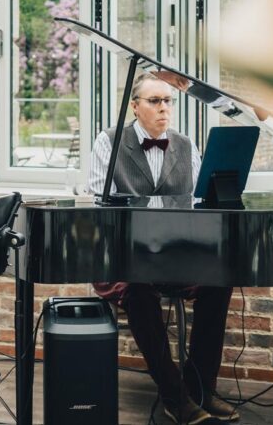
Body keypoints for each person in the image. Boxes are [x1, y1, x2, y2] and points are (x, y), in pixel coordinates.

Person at [89, 71, 238, 424]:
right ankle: (175, 396)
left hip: (176, 255)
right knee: (139, 291)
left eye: (168, 101)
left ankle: (200, 389)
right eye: (154, 101)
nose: (163, 108)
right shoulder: (109, 142)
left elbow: (200, 202)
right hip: (126, 258)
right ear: (135, 106)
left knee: (220, 281)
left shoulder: (186, 145)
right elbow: (100, 203)